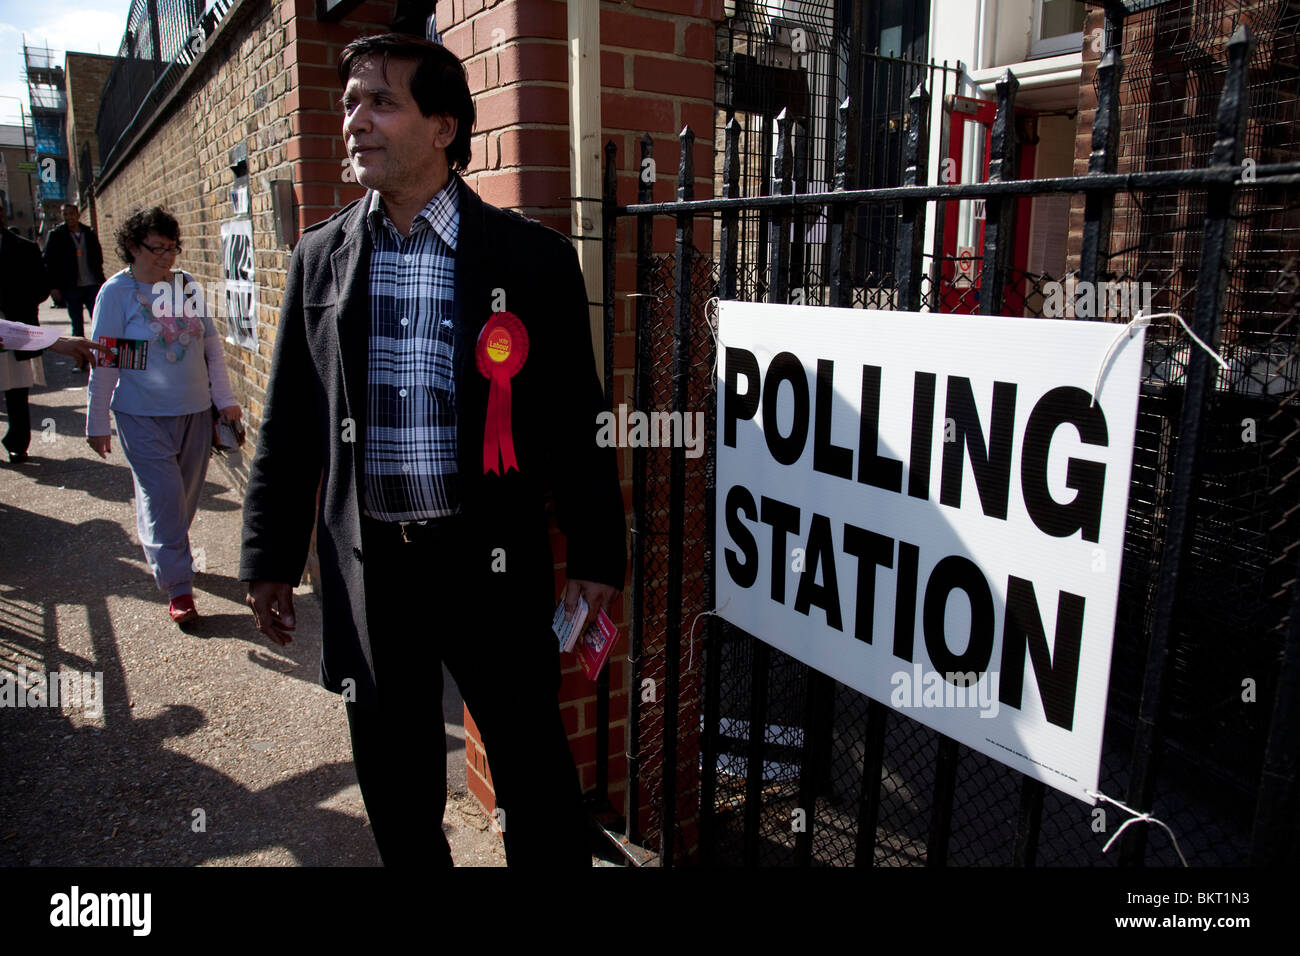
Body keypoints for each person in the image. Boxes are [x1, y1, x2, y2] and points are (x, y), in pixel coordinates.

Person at [239, 33, 627, 868]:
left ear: (444, 126)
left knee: (538, 782)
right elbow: (292, 427)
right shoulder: (320, 259)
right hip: (371, 570)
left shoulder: (532, 260)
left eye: (380, 102)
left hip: (490, 563)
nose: (355, 122)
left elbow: (577, 419)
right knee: (398, 794)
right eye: (348, 103)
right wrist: (269, 558)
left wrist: (596, 553)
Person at [86, 206, 242, 624]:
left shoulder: (186, 285)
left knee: (183, 498)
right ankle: (179, 587)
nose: (167, 258)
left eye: (172, 248)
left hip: (193, 410)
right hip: (140, 414)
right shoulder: (115, 294)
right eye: (157, 249)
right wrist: (96, 421)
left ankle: (165, 544)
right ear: (133, 247)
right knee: (165, 497)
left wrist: (224, 400)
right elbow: (105, 361)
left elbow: (210, 346)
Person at [0, 201, 52, 464]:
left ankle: (18, 443)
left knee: (17, 388)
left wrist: (18, 303)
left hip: (15, 326)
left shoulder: (24, 248)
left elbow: (42, 287)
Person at [44, 202, 107, 370]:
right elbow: (49, 262)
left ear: (78, 215)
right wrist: (54, 287)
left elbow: (98, 257)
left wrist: (100, 279)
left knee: (99, 321)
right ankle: (82, 361)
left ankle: (103, 357)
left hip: (92, 283)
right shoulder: (57, 235)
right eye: (65, 214)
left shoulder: (88, 233)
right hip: (71, 286)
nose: (68, 217)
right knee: (77, 325)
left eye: (71, 214)